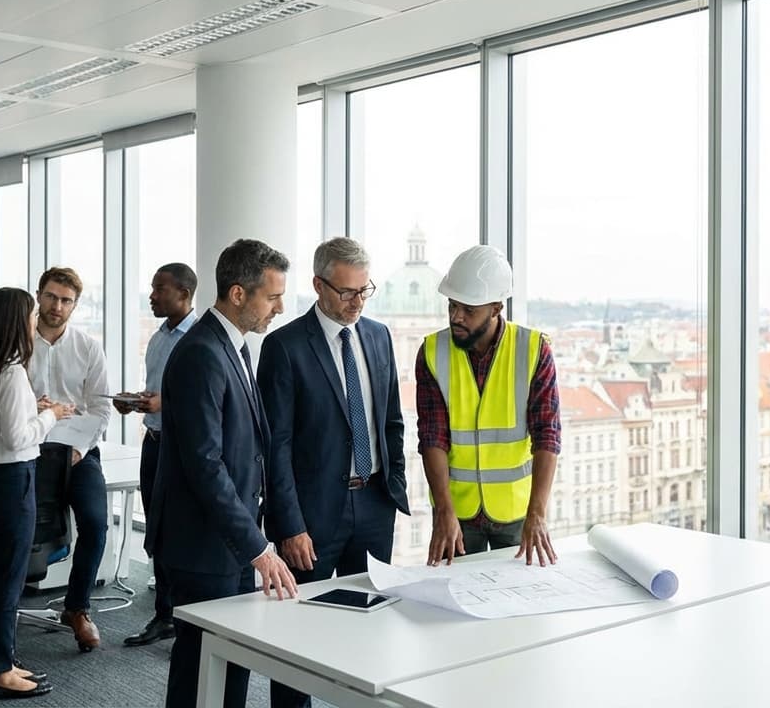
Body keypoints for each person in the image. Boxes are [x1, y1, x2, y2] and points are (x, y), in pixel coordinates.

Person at [258, 238, 410, 708]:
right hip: (312, 516)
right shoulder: (284, 347)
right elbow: (275, 448)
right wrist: (289, 525)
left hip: (374, 504)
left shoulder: (378, 336)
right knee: (299, 634)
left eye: (365, 290)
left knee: (371, 627)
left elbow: (391, 421)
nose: (357, 302)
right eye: (346, 292)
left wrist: (394, 487)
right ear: (318, 285)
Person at [148, 239, 298, 708]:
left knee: (229, 667)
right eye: (272, 297)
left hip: (225, 544)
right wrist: (258, 549)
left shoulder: (231, 346)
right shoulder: (202, 353)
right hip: (201, 548)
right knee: (199, 674)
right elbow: (205, 465)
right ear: (237, 294)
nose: (279, 308)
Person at [0, 287, 73, 700]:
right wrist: (51, 415)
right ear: (15, 322)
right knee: (9, 579)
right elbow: (17, 439)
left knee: (1, 576)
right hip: (11, 480)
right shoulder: (11, 373)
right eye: (31, 315)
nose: (35, 321)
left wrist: (30, 409)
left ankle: (2, 661)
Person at [418, 245, 562, 567]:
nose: (456, 316)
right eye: (452, 305)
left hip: (516, 512)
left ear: (497, 307)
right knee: (452, 591)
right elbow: (432, 437)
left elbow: (547, 435)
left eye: (468, 310)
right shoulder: (432, 352)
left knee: (518, 592)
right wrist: (443, 511)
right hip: (455, 511)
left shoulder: (533, 350)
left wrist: (537, 513)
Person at [26, 267, 115, 652]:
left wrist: (78, 449)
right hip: (28, 451)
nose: (57, 306)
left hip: (78, 452)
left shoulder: (88, 348)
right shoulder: (18, 344)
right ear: (38, 296)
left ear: (75, 305)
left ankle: (77, 607)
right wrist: (32, 408)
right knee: (21, 530)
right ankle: (5, 604)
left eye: (66, 301)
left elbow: (101, 408)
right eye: (51, 296)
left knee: (95, 524)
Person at [120, 262, 198, 648]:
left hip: (181, 449)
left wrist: (163, 403)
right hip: (153, 444)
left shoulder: (199, 339)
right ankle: (165, 615)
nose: (151, 296)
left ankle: (188, 621)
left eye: (159, 289)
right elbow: (157, 391)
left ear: (183, 293)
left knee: (182, 533)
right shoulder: (158, 338)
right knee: (157, 531)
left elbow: (203, 398)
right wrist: (136, 401)